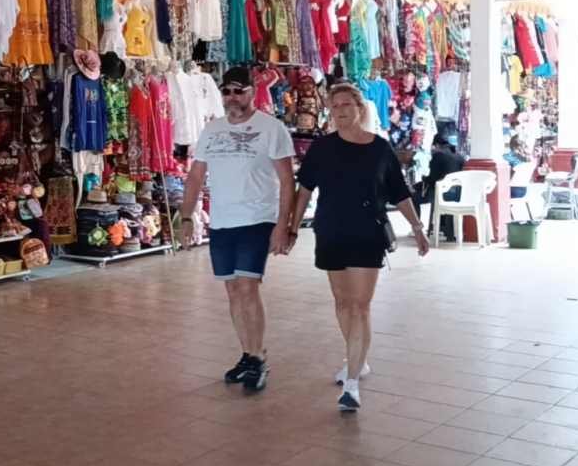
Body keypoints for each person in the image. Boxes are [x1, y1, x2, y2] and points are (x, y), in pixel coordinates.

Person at [289, 83, 429, 412]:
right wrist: (292, 227)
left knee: (360, 306)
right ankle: (358, 357)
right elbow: (305, 190)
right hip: (331, 231)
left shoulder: (379, 148)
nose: (340, 111)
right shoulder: (322, 148)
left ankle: (351, 382)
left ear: (360, 108)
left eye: (346, 105)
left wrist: (418, 229)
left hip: (368, 232)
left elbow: (399, 192)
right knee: (342, 302)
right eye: (334, 106)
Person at [177, 66, 295, 394]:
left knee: (247, 287)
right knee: (232, 291)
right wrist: (187, 217)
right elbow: (196, 176)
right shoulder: (211, 130)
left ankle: (258, 358)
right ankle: (247, 352)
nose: (232, 98)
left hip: (258, 218)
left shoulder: (272, 129)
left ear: (252, 91)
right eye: (226, 91)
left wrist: (283, 225)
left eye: (238, 91)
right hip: (222, 221)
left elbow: (287, 180)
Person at [419, 134, 465, 241]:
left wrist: (423, 179)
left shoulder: (438, 155)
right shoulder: (460, 156)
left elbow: (433, 178)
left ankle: (418, 228)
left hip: (441, 194)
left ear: (436, 145)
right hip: (457, 194)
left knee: (413, 198)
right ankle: (446, 229)